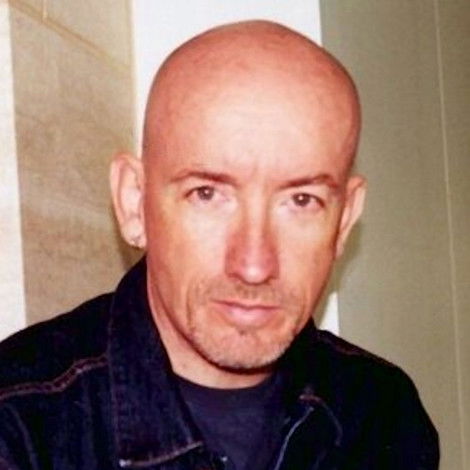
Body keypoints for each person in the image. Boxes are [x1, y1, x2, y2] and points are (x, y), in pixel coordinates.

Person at [0, 20, 438, 470]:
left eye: (301, 200)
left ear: (344, 220)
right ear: (134, 202)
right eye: (207, 194)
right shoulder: (19, 427)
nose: (253, 265)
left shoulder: (382, 414)